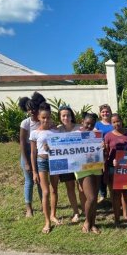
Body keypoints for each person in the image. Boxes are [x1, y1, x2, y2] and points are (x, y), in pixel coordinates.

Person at [30, 102, 60, 233]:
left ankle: (53, 215)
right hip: (41, 162)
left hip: (55, 161)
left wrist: (52, 147)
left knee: (54, 190)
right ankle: (47, 221)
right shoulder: (35, 133)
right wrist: (34, 171)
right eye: (43, 118)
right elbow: (33, 153)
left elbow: (61, 146)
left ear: (51, 116)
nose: (46, 120)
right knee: (46, 192)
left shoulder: (56, 131)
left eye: (48, 117)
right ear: (38, 117)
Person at [75, 112, 102, 234]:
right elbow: (63, 148)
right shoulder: (75, 135)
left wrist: (103, 147)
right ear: (82, 122)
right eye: (87, 123)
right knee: (90, 197)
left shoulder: (96, 135)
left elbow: (100, 151)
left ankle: (93, 223)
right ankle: (87, 221)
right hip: (82, 169)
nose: (89, 126)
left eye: (91, 124)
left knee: (95, 198)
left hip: (96, 167)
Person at [18, 92, 45, 217]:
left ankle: (44, 205)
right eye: (29, 109)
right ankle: (29, 208)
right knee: (29, 181)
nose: (32, 111)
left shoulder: (42, 121)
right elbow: (23, 143)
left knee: (40, 181)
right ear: (26, 110)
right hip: (28, 152)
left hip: (40, 153)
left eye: (34, 108)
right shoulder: (25, 123)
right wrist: (27, 162)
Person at [104, 113, 127, 225]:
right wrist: (105, 169)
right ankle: (117, 217)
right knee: (115, 194)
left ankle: (126, 214)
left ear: (122, 121)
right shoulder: (108, 136)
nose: (117, 124)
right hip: (113, 168)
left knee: (126, 192)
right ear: (111, 124)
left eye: (118, 121)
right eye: (114, 122)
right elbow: (106, 154)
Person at [57, 105, 84, 223]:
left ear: (71, 116)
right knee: (70, 187)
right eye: (63, 115)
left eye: (68, 115)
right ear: (60, 117)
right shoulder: (57, 129)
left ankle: (85, 209)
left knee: (82, 187)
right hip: (65, 163)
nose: (66, 117)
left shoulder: (80, 128)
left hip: (80, 162)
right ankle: (76, 212)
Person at [94, 104, 113, 203]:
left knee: (110, 173)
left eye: (107, 111)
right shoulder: (97, 124)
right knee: (101, 173)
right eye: (103, 112)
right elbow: (93, 137)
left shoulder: (113, 123)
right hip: (101, 152)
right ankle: (102, 194)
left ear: (110, 112)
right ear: (100, 113)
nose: (105, 113)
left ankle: (112, 192)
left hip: (112, 151)